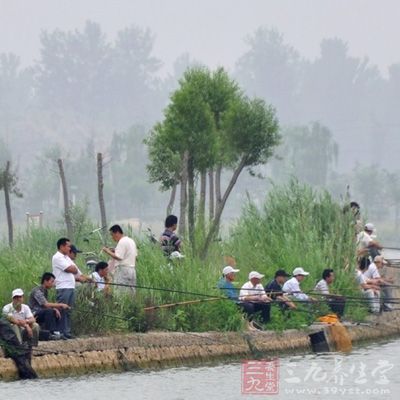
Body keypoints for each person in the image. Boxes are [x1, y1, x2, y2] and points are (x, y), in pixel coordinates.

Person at [29, 272, 70, 339]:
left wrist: (55, 309)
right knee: (49, 311)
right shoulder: (37, 291)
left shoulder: (45, 291)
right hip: (34, 314)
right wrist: (61, 305)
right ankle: (51, 333)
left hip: (41, 312)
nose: (53, 284)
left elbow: (45, 305)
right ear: (45, 281)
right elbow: (45, 304)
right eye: (52, 281)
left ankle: (58, 332)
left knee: (56, 311)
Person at [52, 237, 79, 339]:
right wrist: (74, 269)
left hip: (70, 287)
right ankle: (61, 332)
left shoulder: (66, 257)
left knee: (68, 310)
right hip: (63, 287)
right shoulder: (57, 257)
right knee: (62, 310)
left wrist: (74, 270)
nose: (69, 248)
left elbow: (76, 270)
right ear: (62, 246)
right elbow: (70, 269)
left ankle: (67, 332)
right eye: (68, 246)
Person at [102, 224, 138, 295]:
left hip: (123, 270)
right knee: (131, 292)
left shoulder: (121, 242)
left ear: (117, 233)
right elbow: (134, 256)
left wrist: (107, 251)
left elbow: (119, 257)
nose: (112, 238)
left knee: (120, 292)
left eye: (112, 235)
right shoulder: (131, 241)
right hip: (132, 270)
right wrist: (114, 250)